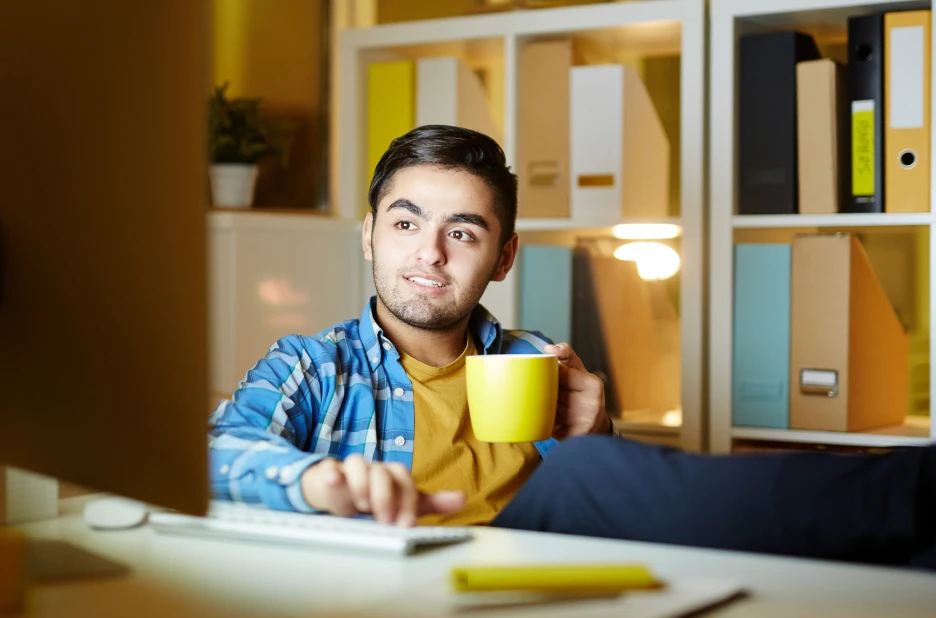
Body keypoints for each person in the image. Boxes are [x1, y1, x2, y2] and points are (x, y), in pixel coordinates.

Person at [208, 124, 936, 570]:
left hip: (542, 580)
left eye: (461, 231)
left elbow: (639, 508)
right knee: (588, 478)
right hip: (399, 581)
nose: (429, 253)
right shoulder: (311, 365)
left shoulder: (535, 359)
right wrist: (314, 484)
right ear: (369, 235)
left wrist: (599, 430)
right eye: (405, 224)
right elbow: (213, 454)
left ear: (504, 256)